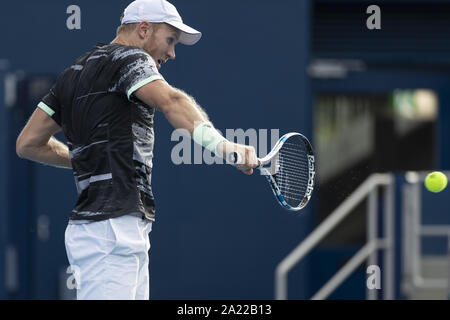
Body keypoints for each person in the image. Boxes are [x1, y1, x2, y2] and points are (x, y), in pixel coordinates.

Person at [15, 0, 257, 300]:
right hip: (110, 233)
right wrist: (224, 146)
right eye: (170, 40)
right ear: (144, 29)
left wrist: (84, 159)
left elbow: (28, 143)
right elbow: (172, 102)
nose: (171, 52)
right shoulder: (131, 58)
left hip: (110, 231)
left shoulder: (72, 73)